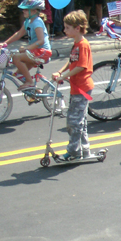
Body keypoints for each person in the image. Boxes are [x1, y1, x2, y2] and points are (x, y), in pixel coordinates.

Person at [51, 11, 94, 160]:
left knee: (74, 121)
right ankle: (85, 149)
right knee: (80, 121)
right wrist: (60, 71)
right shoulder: (76, 44)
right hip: (77, 87)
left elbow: (81, 66)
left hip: (82, 88)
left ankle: (74, 151)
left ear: (77, 28)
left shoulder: (83, 45)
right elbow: (72, 62)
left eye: (67, 27)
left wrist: (63, 76)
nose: (64, 30)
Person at [0, 0, 52, 91]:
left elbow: (41, 41)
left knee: (16, 57)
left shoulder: (37, 23)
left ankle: (30, 83)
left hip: (42, 52)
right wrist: (5, 43)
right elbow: (19, 34)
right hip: (34, 52)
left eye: (26, 10)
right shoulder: (28, 21)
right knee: (19, 74)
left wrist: (27, 48)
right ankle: (35, 91)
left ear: (34, 11)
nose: (23, 11)